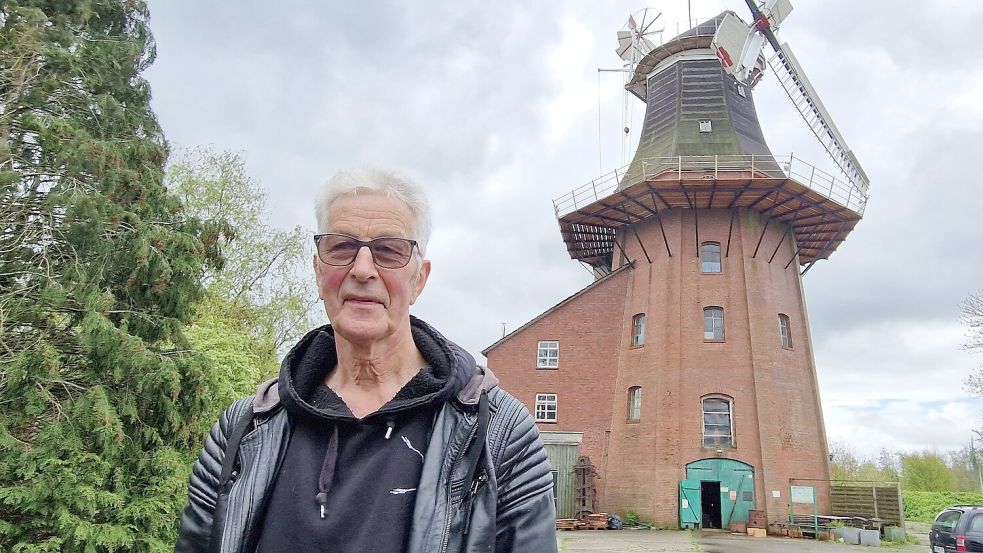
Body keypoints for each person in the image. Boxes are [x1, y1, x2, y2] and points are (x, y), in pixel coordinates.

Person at [174, 168, 557, 553]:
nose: (361, 269)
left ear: (419, 279)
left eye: (389, 251)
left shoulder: (498, 435)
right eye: (340, 247)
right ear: (318, 270)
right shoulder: (243, 431)